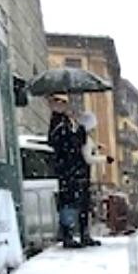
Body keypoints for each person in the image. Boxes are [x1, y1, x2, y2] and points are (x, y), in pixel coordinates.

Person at [48, 95, 98, 249]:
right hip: (68, 171)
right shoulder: (58, 123)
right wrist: (78, 134)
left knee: (82, 203)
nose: (64, 105)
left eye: (65, 102)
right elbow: (61, 143)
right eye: (59, 102)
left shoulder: (67, 123)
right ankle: (69, 235)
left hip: (77, 171)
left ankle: (84, 234)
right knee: (69, 204)